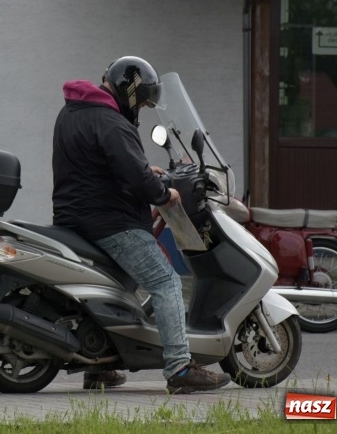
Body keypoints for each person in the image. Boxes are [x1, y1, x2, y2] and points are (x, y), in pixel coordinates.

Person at [52, 56, 231, 394]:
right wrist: (164, 193)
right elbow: (134, 178)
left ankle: (100, 365)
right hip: (110, 222)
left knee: (118, 287)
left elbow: (99, 164)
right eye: (145, 101)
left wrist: (148, 170)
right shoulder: (111, 122)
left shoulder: (74, 112)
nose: (143, 108)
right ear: (132, 92)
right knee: (166, 282)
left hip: (74, 216)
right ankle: (179, 368)